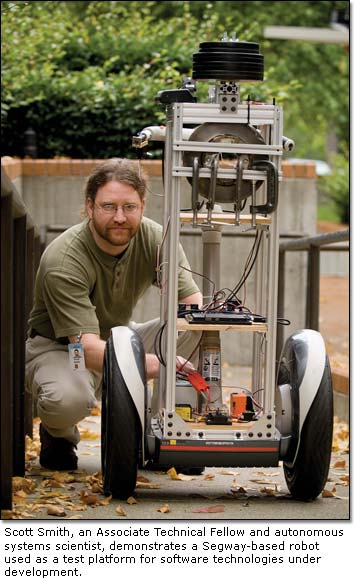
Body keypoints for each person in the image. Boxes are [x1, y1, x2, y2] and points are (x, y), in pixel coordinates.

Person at [25, 158, 202, 471]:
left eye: (129, 207)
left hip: (119, 336)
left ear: (142, 206)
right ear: (90, 207)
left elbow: (192, 305)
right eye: (109, 206)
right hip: (66, 348)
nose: (120, 218)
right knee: (68, 400)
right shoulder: (64, 259)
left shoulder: (154, 238)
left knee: (196, 328)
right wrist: (157, 363)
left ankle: (166, 434)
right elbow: (89, 350)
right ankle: (59, 435)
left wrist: (184, 331)